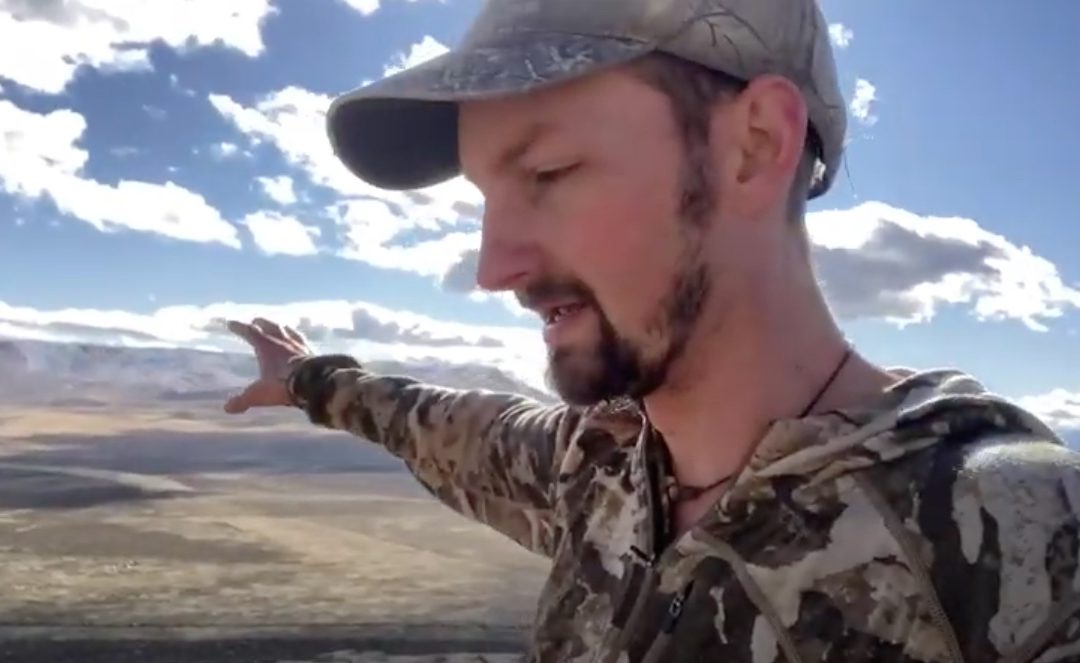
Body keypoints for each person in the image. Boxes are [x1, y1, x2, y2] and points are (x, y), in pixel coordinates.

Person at [223, 0, 1080, 660]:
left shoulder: (1022, 540)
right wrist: (307, 378)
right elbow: (439, 426)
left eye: (550, 171)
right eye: (487, 196)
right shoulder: (600, 472)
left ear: (754, 145)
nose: (494, 266)